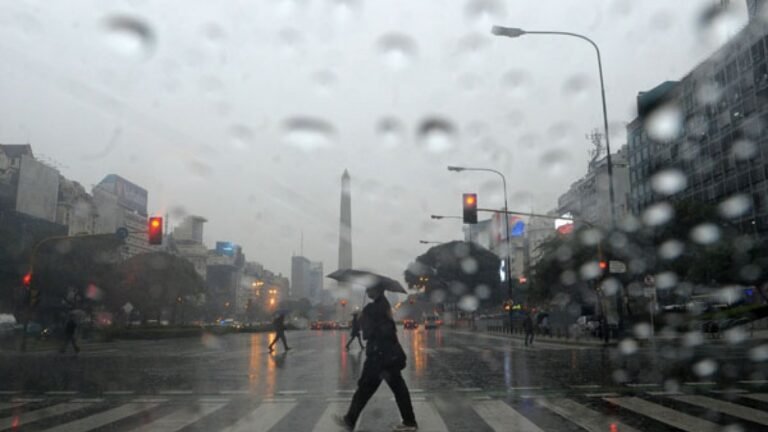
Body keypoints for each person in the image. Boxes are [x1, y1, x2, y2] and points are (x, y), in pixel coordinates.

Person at [335, 284, 417, 431]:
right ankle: (409, 421)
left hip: (378, 357)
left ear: (378, 290)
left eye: (370, 289)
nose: (367, 291)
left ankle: (350, 419)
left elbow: (368, 334)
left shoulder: (373, 308)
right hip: (388, 354)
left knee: (365, 388)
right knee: (397, 388)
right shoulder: (384, 305)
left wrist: (361, 318)